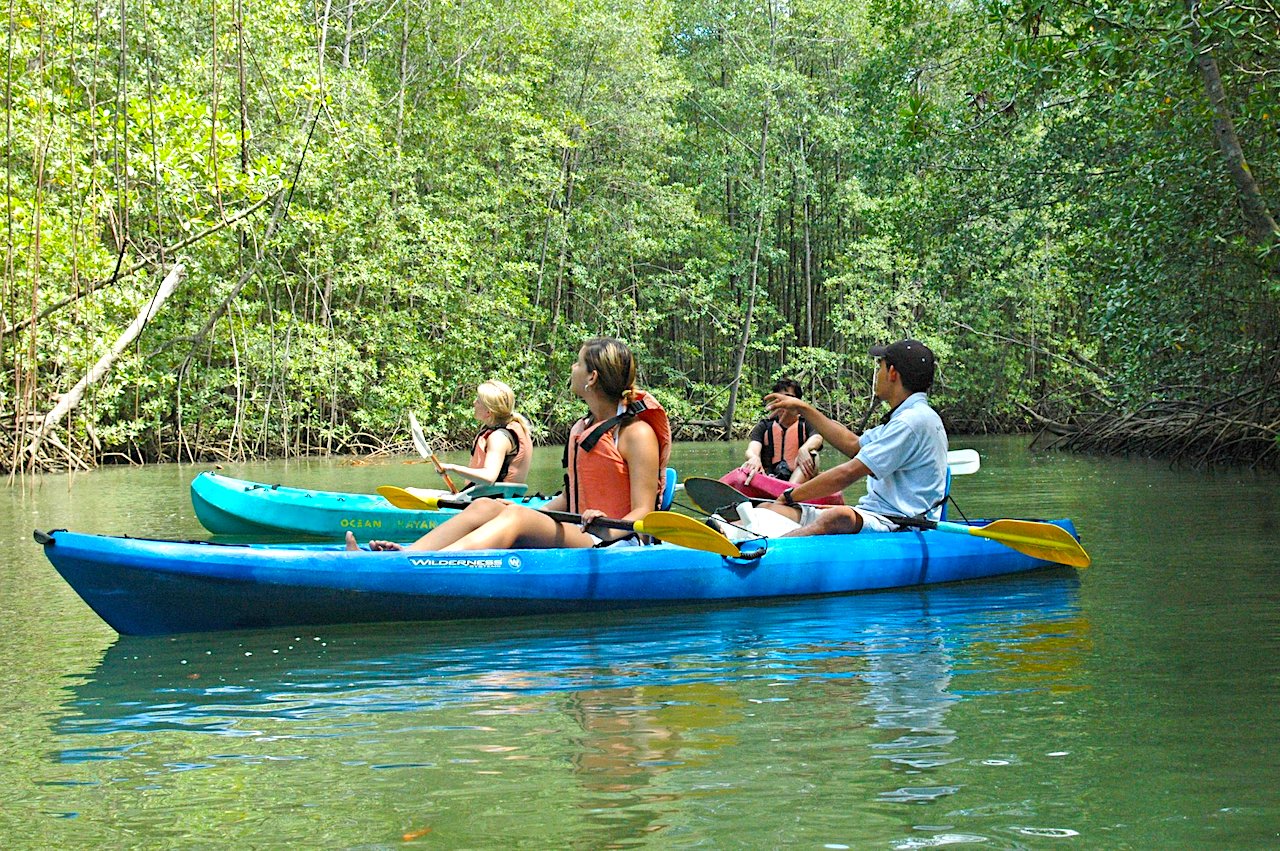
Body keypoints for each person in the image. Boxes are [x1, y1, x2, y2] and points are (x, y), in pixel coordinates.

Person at [348, 337, 670, 552]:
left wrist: (605, 529)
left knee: (516, 518)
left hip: (615, 543)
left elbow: (644, 510)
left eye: (577, 363)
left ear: (592, 378)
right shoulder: (583, 427)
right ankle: (409, 554)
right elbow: (570, 498)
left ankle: (424, 566)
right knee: (489, 506)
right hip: (578, 531)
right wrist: (528, 512)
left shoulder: (636, 433)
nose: (571, 369)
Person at [726, 339, 946, 538]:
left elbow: (847, 473)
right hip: (876, 514)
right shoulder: (910, 416)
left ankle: (766, 553)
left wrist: (791, 495)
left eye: (879, 367)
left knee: (838, 516)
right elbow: (853, 445)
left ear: (892, 373)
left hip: (900, 523)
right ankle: (726, 535)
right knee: (768, 509)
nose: (877, 374)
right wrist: (804, 408)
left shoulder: (911, 421)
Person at [719, 377, 829, 503]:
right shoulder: (764, 426)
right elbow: (752, 449)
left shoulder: (807, 424)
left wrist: (804, 448)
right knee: (749, 465)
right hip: (770, 480)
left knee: (812, 455)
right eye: (780, 398)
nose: (784, 402)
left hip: (798, 481)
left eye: (789, 397)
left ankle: (787, 497)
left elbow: (817, 438)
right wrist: (754, 457)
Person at [436, 380, 533, 490]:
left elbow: (489, 477)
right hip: (500, 498)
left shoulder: (498, 438)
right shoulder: (516, 426)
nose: (474, 403)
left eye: (478, 401)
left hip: (493, 501)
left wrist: (452, 468)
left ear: (489, 412)